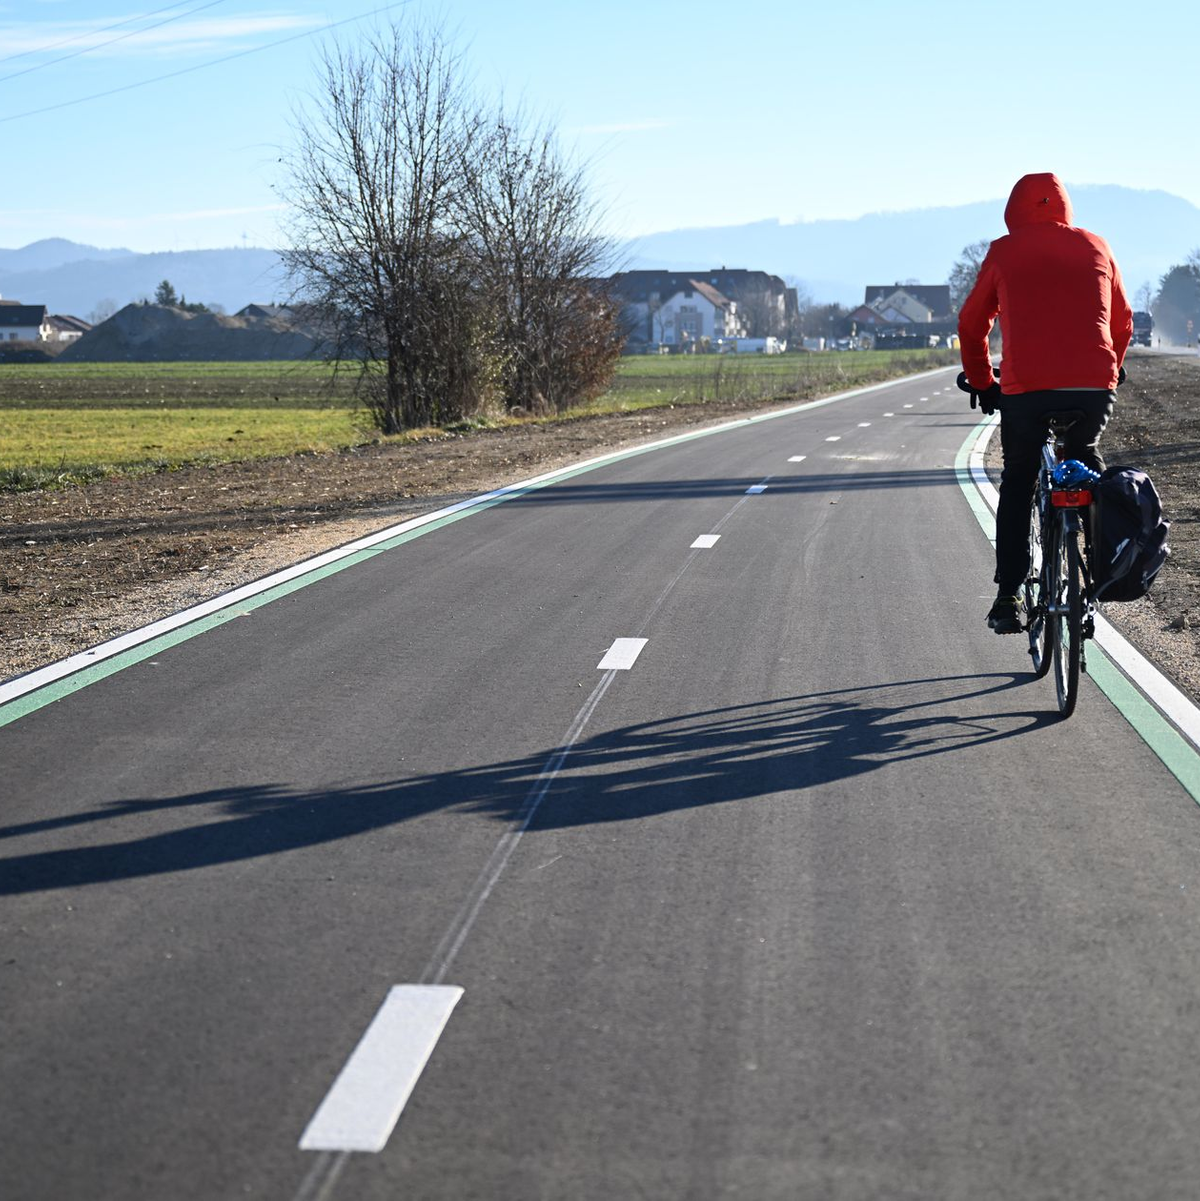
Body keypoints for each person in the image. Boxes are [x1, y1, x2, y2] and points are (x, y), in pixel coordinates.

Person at [958, 172, 1133, 634]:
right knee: (1086, 463)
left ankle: (1008, 596)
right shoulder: (1097, 245)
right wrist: (1111, 368)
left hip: (1027, 391)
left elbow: (971, 325)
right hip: (1093, 388)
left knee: (1019, 481)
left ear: (1013, 211)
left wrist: (984, 382)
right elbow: (1123, 321)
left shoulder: (1003, 251)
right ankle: (1100, 575)